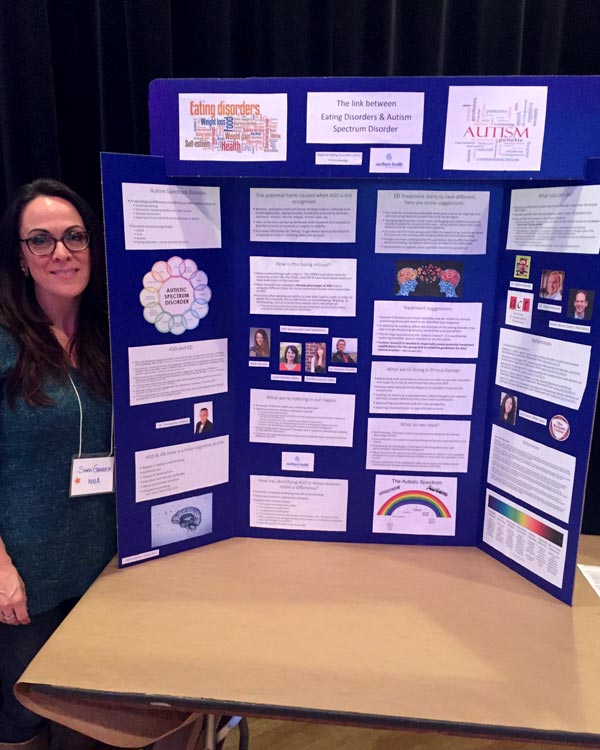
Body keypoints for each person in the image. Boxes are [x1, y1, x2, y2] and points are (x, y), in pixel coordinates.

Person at [0, 179, 116, 749]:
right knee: (22, 717)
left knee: (84, 722)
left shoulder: (113, 335)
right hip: (25, 576)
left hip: (104, 569)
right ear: (20, 258)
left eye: (74, 237)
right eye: (40, 241)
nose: (61, 253)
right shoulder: (3, 343)